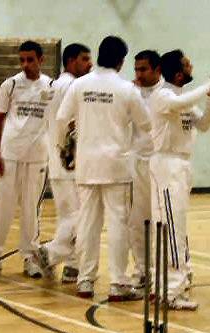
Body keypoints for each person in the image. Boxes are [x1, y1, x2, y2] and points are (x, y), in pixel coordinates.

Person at [54, 36, 151, 301]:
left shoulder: (80, 85)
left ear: (98, 56)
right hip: (116, 166)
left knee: (87, 223)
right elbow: (147, 124)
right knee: (118, 224)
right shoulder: (127, 89)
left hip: (86, 165)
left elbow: (62, 119)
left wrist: (64, 148)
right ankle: (118, 283)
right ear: (121, 61)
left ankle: (85, 281)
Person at [148, 49, 210, 310]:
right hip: (167, 164)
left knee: (173, 225)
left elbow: (202, 125)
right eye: (188, 64)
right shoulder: (163, 95)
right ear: (179, 73)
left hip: (181, 165)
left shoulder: (183, 98)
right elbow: (181, 104)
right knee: (171, 226)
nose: (192, 66)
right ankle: (171, 291)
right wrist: (209, 83)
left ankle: (165, 285)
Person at [0, 41, 52, 278]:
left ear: (41, 59)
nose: (25, 64)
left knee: (31, 209)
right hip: (9, 156)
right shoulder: (11, 85)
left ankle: (30, 258)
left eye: (30, 59)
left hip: (37, 157)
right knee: (1, 208)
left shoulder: (51, 86)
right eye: (22, 60)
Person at [36, 43, 92, 283]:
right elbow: (72, 124)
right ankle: (50, 253)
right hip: (70, 161)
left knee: (68, 214)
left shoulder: (52, 85)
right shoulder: (73, 86)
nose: (89, 64)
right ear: (70, 61)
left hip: (56, 160)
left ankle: (72, 266)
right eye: (84, 59)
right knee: (79, 216)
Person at [128, 50, 162, 289]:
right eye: (136, 69)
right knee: (137, 221)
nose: (138, 74)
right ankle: (142, 270)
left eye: (144, 69)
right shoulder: (131, 92)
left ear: (157, 70)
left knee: (167, 220)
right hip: (137, 163)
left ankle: (179, 270)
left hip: (162, 164)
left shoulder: (167, 92)